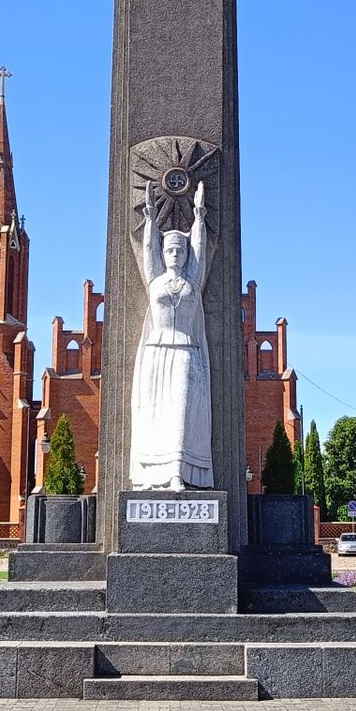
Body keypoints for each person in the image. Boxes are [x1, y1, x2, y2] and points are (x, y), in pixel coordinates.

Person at [128, 178, 214, 490]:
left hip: (185, 352)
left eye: (179, 249)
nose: (175, 254)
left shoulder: (192, 279)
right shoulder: (155, 281)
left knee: (181, 411)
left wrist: (199, 216)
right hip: (156, 352)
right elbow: (148, 248)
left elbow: (200, 250)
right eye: (170, 249)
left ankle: (179, 472)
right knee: (155, 416)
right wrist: (150, 217)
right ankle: (151, 474)